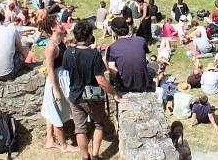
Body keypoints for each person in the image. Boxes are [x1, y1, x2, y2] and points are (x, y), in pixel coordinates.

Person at [62, 20, 120, 160]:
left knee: (80, 128)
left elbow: (66, 70)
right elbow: (100, 80)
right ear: (89, 36)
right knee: (98, 124)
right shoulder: (94, 54)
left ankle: (85, 157)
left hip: (75, 95)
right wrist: (114, 93)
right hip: (92, 96)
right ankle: (95, 156)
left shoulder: (68, 53)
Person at [37, 17, 73, 151]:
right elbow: (50, 70)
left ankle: (49, 140)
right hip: (56, 80)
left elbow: (68, 35)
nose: (62, 25)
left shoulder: (60, 40)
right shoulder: (51, 46)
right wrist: (56, 90)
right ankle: (63, 145)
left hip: (62, 77)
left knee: (51, 110)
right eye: (59, 24)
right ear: (53, 28)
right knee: (56, 111)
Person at [106, 17, 151, 93]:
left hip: (125, 86)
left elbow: (112, 69)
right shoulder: (141, 40)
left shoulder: (112, 48)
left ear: (114, 31)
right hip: (143, 84)